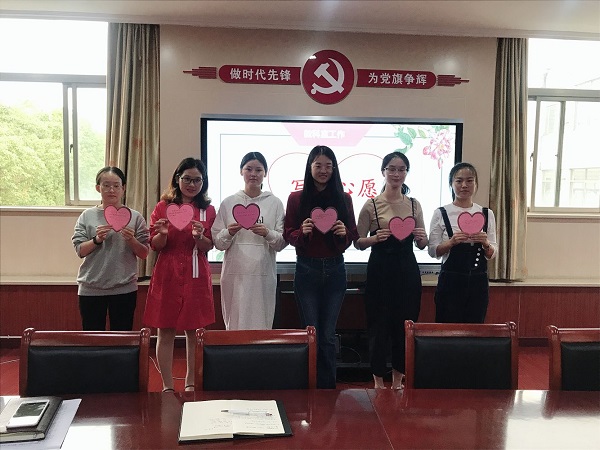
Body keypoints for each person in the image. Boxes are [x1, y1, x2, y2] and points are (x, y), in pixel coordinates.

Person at [284, 145, 359, 389]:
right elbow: (288, 234)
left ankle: (327, 388)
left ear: (334, 169)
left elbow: (353, 235)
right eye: (318, 165)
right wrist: (301, 232)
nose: (323, 170)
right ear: (309, 167)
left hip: (336, 270)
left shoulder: (344, 198)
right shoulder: (296, 198)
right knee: (311, 332)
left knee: (327, 334)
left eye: (328, 165)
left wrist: (344, 232)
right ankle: (308, 385)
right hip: (306, 270)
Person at [354, 152, 428, 390]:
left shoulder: (414, 204)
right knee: (378, 325)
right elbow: (357, 242)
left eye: (401, 169)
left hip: (407, 271)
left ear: (407, 172)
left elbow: (423, 244)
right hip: (380, 271)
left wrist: (422, 237)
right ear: (383, 171)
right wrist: (374, 238)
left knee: (404, 324)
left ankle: (398, 378)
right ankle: (377, 379)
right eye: (392, 169)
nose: (396, 174)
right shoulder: (372, 204)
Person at [143, 157, 216, 392]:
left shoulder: (207, 210)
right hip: (168, 272)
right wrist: (163, 234)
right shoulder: (162, 207)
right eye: (187, 179)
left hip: (196, 273)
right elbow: (155, 245)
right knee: (165, 330)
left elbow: (208, 246)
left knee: (194, 332)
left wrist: (199, 237)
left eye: (197, 180)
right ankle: (167, 385)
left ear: (203, 182)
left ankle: (190, 382)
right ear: (177, 179)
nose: (192, 184)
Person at [211, 152, 287, 330]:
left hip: (263, 274)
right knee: (235, 323)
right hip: (235, 275)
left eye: (258, 170)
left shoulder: (275, 203)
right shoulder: (229, 202)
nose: (253, 174)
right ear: (241, 171)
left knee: (261, 322)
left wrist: (267, 233)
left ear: (265, 173)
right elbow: (218, 242)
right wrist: (229, 232)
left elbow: (282, 242)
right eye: (249, 169)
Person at [72, 167, 150, 331]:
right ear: (98, 188)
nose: (111, 190)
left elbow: (144, 253)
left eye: (116, 185)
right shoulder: (87, 215)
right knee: (92, 339)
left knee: (122, 338)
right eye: (106, 185)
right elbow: (80, 250)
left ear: (123, 188)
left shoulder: (135, 217)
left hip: (124, 288)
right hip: (91, 288)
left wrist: (131, 239)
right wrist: (97, 240)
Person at [428, 162, 497, 323]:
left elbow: (492, 253)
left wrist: (485, 243)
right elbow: (432, 251)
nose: (464, 185)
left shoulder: (486, 213)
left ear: (476, 184)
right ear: (451, 184)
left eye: (469, 180)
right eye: (459, 181)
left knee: (475, 327)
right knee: (447, 326)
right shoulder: (441, 213)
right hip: (450, 282)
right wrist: (451, 242)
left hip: (478, 283)